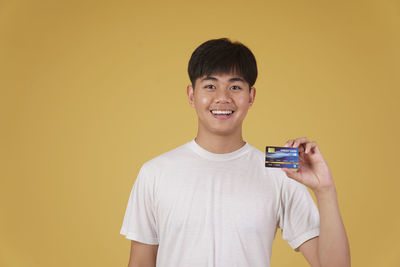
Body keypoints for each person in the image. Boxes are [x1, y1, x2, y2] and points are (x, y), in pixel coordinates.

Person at [120, 38, 350, 267]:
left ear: (251, 97)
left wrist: (325, 190)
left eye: (235, 87)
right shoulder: (155, 172)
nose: (223, 97)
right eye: (210, 86)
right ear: (191, 95)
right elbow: (140, 262)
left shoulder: (280, 170)